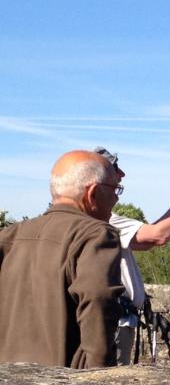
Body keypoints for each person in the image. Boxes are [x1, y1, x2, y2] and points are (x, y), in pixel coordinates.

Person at [0, 150, 124, 368]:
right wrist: (101, 382)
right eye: (116, 189)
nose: (116, 197)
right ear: (93, 193)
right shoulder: (95, 235)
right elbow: (98, 305)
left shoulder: (10, 235)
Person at [94, 147, 170, 365]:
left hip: (119, 320)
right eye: (115, 169)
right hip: (117, 324)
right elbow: (158, 236)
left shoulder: (99, 219)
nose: (122, 175)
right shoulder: (107, 220)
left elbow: (148, 236)